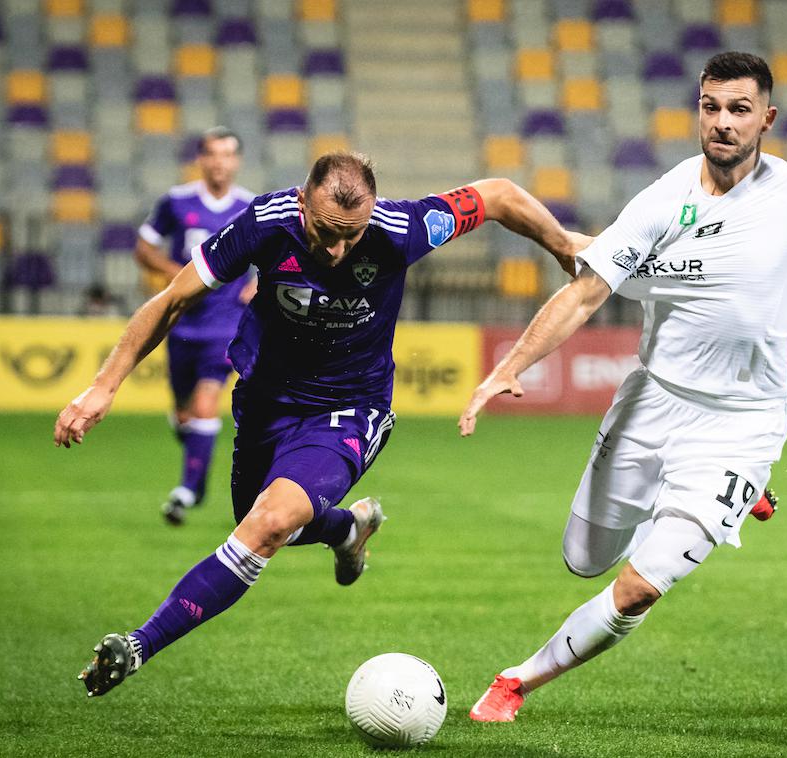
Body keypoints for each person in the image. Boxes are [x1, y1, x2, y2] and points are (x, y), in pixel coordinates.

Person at [458, 51, 787, 722]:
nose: (722, 122)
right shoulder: (663, 200)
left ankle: (516, 681)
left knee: (637, 588)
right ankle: (718, 500)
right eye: (711, 107)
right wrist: (510, 367)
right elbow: (585, 294)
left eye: (739, 109)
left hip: (742, 426)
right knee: (585, 559)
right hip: (652, 404)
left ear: (767, 119)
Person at [56, 152, 587, 697]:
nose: (337, 251)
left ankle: (139, 644)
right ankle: (347, 528)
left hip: (350, 407)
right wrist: (104, 386)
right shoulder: (265, 223)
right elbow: (172, 300)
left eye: (351, 238)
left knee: (266, 526)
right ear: (303, 201)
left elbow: (497, 194)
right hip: (266, 403)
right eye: (326, 232)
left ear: (373, 213)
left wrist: (563, 244)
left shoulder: (402, 229)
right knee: (258, 524)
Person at [133, 126, 256, 525]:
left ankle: (186, 491)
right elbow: (144, 249)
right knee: (185, 414)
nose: (219, 162)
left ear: (236, 161)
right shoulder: (176, 201)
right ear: (201, 159)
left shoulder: (252, 207)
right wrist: (181, 275)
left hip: (226, 327)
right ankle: (195, 469)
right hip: (181, 323)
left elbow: (282, 254)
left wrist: (259, 282)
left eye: (227, 154)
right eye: (212, 154)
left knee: (207, 403)